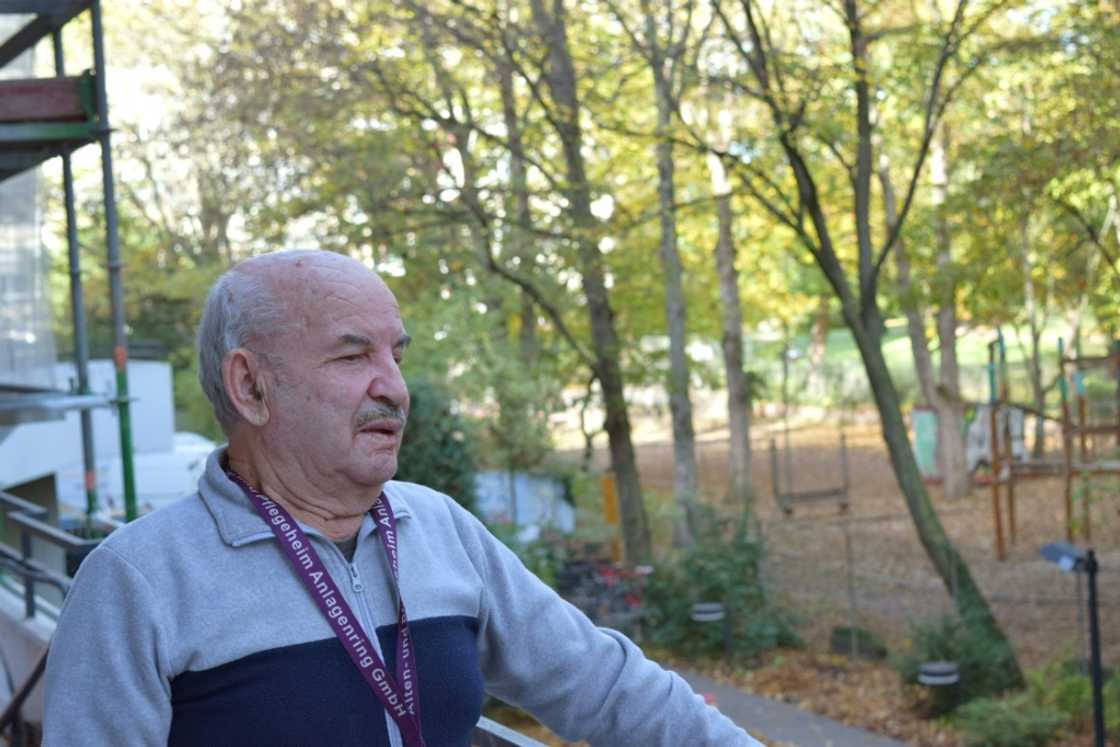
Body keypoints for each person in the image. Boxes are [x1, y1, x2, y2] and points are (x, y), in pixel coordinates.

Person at [42, 250, 762, 746]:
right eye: (354, 355)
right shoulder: (136, 580)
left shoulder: (438, 527)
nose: (394, 385)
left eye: (397, 354)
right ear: (250, 387)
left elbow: (608, 685)